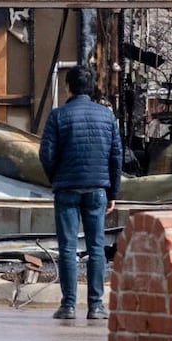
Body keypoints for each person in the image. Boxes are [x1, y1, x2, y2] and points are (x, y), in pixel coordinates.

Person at [38, 64, 123, 322]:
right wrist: (112, 192)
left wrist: (57, 179)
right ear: (92, 88)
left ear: (68, 88)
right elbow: (116, 156)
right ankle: (96, 306)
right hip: (97, 189)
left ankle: (69, 306)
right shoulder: (107, 117)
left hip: (67, 190)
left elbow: (46, 154)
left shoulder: (57, 116)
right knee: (96, 248)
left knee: (68, 248)